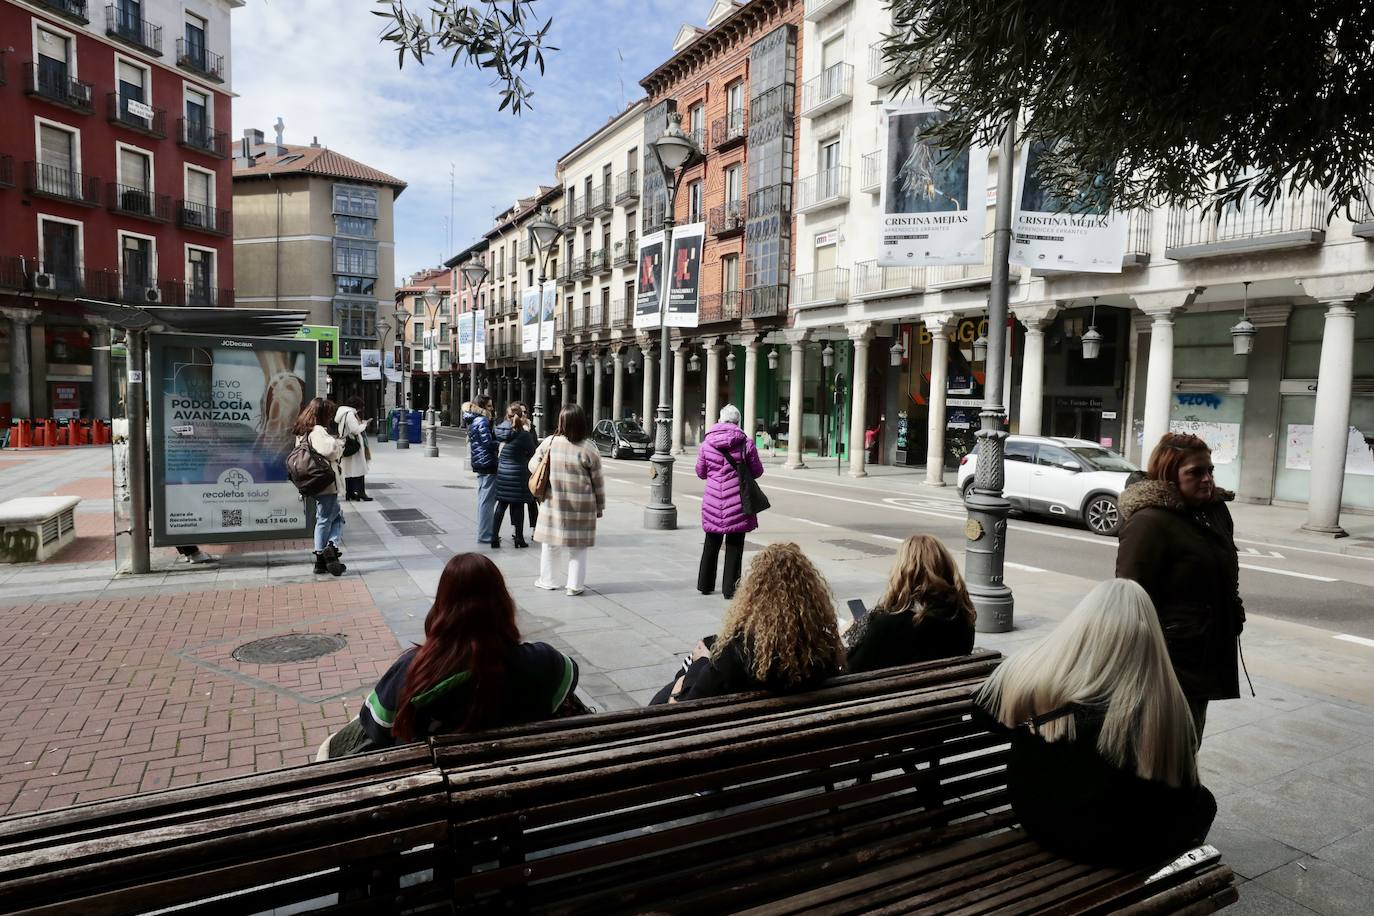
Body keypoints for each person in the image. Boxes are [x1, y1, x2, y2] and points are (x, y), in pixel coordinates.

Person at [975, 578, 1217, 868]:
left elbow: (983, 713)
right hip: (1118, 846)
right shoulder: (1163, 702)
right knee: (1204, 803)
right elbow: (1182, 789)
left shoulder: (1037, 675)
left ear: (1082, 626)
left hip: (1038, 821)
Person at [318, 553, 580, 758]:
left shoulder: (413, 669)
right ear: (503, 603)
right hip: (517, 793)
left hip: (434, 803)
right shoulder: (543, 661)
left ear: (442, 606)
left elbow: (376, 728)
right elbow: (565, 687)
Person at [1116, 432, 1245, 740]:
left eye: (1210, 470)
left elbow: (1224, 573)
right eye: (1195, 472)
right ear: (1169, 475)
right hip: (1168, 656)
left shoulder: (1213, 512)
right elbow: (1130, 598)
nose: (1207, 479)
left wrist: (1233, 611)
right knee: (1163, 743)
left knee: (1190, 736)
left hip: (1204, 648)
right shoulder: (1149, 522)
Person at [652, 543, 845, 704]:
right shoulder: (822, 649)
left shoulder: (738, 651)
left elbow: (686, 707)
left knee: (685, 672)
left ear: (754, 595)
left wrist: (699, 662)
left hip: (733, 744)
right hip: (802, 739)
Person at [844, 534, 976, 672]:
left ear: (902, 571)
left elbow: (852, 669)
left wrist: (855, 631)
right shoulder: (962, 618)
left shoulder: (885, 624)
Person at [528, 404, 605, 596]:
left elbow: (532, 465)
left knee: (550, 543)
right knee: (578, 547)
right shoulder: (589, 448)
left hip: (553, 503)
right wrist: (600, 506)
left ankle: (548, 580)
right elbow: (598, 482)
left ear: (561, 421)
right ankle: (574, 586)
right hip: (582, 505)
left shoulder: (550, 443)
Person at [695, 404, 766, 599]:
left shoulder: (707, 443)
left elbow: (701, 473)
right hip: (738, 502)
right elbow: (758, 471)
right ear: (738, 422)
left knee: (711, 542)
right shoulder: (746, 443)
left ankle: (705, 584)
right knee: (735, 544)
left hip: (712, 501)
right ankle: (730, 589)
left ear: (720, 420)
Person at [293, 397, 346, 576]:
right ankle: (323, 554)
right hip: (325, 482)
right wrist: (339, 444)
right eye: (329, 413)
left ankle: (328, 550)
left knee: (336, 516)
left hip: (312, 481)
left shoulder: (303, 431)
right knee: (325, 518)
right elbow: (330, 451)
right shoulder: (317, 431)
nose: (330, 417)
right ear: (322, 414)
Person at [492, 401, 537, 548]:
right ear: (520, 416)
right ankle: (519, 539)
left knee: (501, 505)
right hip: (517, 473)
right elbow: (532, 452)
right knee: (518, 506)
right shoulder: (523, 433)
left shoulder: (500, 429)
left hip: (503, 471)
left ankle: (494, 538)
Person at [464, 396, 499, 545]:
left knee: (483, 500)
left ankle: (484, 532)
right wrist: (500, 444)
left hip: (479, 462)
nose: (492, 409)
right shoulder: (482, 420)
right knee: (487, 501)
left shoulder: (473, 420)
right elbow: (487, 443)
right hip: (487, 463)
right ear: (482, 407)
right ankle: (485, 534)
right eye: (489, 406)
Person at [337, 395, 372, 502]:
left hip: (346, 443)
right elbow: (355, 430)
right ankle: (361, 493)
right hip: (353, 444)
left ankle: (350, 493)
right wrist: (365, 424)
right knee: (359, 469)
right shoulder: (350, 414)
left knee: (348, 470)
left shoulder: (343, 413)